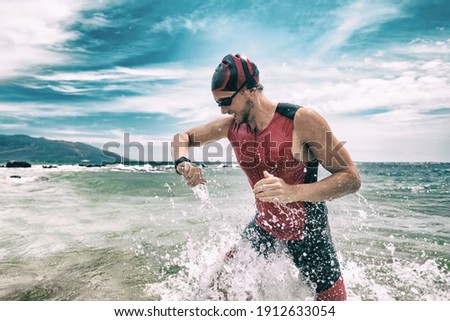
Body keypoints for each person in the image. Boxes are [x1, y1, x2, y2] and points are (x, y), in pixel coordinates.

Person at [171, 53, 361, 301]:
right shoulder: (232, 126)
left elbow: (350, 178)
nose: (223, 109)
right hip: (266, 226)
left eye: (226, 101)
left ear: (250, 90)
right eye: (219, 103)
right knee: (213, 293)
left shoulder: (301, 120)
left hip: (309, 233)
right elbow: (182, 137)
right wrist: (183, 162)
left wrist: (291, 192)